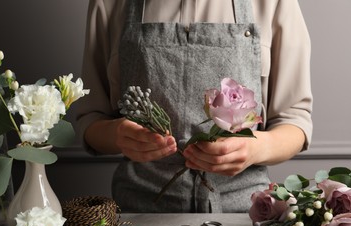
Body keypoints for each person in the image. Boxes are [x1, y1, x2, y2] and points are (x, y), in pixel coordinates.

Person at [75, 0, 313, 213]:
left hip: (243, 218)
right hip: (139, 215)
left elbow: (294, 120)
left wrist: (254, 149)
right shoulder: (109, 4)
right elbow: (91, 119)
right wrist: (118, 135)